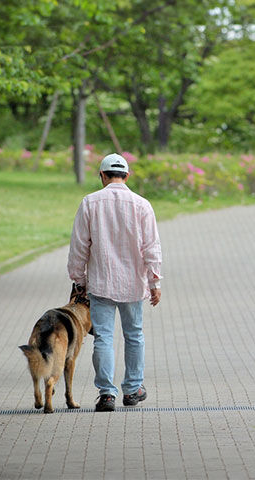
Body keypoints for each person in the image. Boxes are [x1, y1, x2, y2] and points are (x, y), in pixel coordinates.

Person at [67, 153, 162, 412]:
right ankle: (132, 390)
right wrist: (154, 282)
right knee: (134, 335)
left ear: (102, 176)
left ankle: (106, 394)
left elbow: (79, 246)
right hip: (133, 283)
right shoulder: (142, 204)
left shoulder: (90, 203)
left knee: (103, 338)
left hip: (100, 282)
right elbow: (151, 247)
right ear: (127, 176)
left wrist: (79, 280)